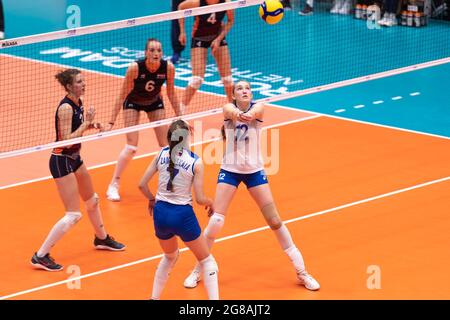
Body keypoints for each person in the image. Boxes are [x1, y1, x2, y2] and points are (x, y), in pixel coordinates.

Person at [183, 80, 320, 291]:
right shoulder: (228, 109)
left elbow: (257, 110)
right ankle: (198, 269)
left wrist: (249, 114)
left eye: (247, 88)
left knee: (274, 221)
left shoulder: (259, 107)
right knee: (216, 221)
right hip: (230, 171)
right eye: (239, 89)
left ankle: (302, 272)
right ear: (234, 94)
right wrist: (240, 114)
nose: (244, 91)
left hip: (255, 172)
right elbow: (229, 109)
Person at [31, 69, 125, 272]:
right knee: (73, 214)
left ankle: (101, 239)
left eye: (83, 81)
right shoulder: (66, 107)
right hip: (61, 160)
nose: (84, 84)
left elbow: (77, 131)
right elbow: (65, 141)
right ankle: (40, 255)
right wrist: (86, 123)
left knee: (92, 201)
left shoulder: (78, 102)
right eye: (79, 82)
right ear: (69, 86)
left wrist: (93, 125)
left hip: (74, 159)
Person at [138, 119, 219, 300]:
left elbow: (141, 185)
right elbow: (200, 199)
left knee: (170, 256)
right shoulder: (195, 162)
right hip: (182, 215)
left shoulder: (161, 154)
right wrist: (211, 201)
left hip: (160, 213)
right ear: (187, 137)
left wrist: (152, 199)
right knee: (207, 261)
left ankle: (154, 298)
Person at [106, 38, 183, 202]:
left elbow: (171, 94)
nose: (156, 53)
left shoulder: (168, 67)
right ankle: (114, 183)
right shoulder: (135, 68)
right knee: (131, 147)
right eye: (152, 50)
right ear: (146, 53)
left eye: (159, 50)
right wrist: (110, 122)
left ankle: (168, 184)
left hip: (154, 102)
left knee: (166, 147)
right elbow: (122, 95)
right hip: (133, 102)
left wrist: (182, 118)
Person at [178, 0, 234, 107]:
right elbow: (181, 7)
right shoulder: (198, 2)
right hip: (199, 38)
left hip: (217, 37)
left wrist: (218, 39)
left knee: (228, 79)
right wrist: (182, 31)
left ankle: (234, 112)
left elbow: (231, 21)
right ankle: (180, 114)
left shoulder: (227, 3)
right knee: (196, 80)